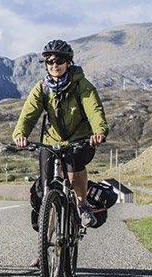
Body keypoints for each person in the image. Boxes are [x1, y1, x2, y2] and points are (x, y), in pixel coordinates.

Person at [12, 39, 109, 236]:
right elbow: (28, 114)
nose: (54, 65)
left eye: (59, 61)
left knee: (74, 167)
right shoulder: (42, 88)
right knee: (47, 188)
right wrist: (20, 134)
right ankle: (45, 245)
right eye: (49, 62)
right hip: (51, 142)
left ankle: (82, 206)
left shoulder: (82, 85)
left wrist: (99, 131)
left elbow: (94, 110)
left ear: (68, 63)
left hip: (79, 140)